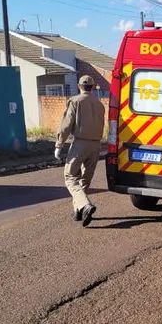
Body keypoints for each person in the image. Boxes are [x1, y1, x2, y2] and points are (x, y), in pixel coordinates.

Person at [55, 75, 105, 227]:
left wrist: (59, 145)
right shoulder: (100, 104)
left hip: (80, 144)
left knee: (70, 177)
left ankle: (85, 205)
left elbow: (66, 124)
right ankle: (78, 211)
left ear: (79, 86)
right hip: (96, 145)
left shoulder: (75, 101)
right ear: (92, 86)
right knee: (84, 179)